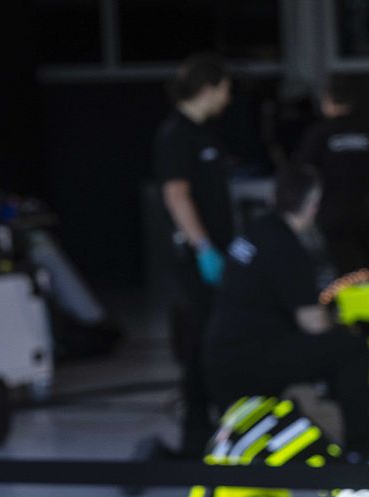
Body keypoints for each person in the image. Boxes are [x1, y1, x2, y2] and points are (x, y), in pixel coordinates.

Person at [204, 164, 369, 456]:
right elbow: (313, 323)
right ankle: (361, 453)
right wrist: (343, 324)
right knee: (352, 350)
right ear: (312, 206)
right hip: (250, 360)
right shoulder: (287, 247)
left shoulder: (254, 231)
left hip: (219, 354)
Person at [153, 52, 234, 455]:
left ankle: (217, 425)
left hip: (217, 251)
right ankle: (195, 434)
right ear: (207, 88)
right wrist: (203, 248)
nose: (227, 98)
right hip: (196, 259)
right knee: (202, 342)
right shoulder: (176, 136)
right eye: (225, 89)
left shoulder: (206, 134)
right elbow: (176, 194)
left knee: (215, 341)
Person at [294, 76, 369, 274]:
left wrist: (302, 216)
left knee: (345, 275)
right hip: (367, 212)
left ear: (327, 101)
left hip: (333, 215)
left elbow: (306, 176)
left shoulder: (319, 133)